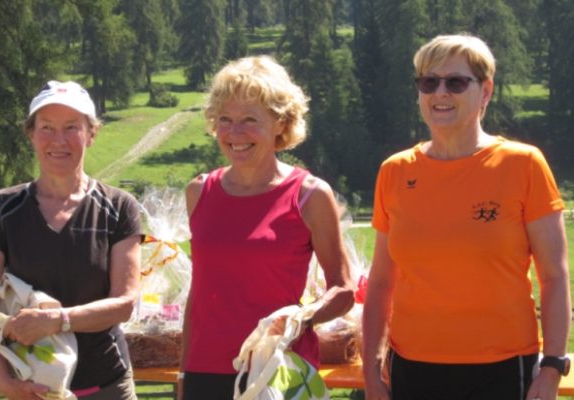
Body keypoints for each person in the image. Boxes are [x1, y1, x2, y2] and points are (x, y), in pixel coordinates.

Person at [362, 33, 571, 400]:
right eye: (429, 82)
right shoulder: (394, 171)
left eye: (456, 82)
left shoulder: (523, 165)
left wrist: (552, 367)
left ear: (485, 91)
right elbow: (381, 283)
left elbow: (554, 276)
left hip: (504, 369)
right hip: (412, 367)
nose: (440, 93)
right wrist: (371, 366)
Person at [179, 55, 355, 400]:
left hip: (277, 369)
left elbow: (344, 289)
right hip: (206, 370)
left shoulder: (310, 195)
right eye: (225, 120)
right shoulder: (199, 191)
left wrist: (300, 320)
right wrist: (184, 373)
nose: (235, 133)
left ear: (281, 122)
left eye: (249, 120)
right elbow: (198, 295)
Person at [0, 80, 143, 400]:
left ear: (91, 134)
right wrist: (3, 379)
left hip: (106, 387)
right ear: (31, 133)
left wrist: (56, 321)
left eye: (72, 127)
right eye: (47, 127)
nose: (58, 140)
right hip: (28, 387)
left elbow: (125, 303)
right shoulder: (1, 209)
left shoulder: (118, 207)